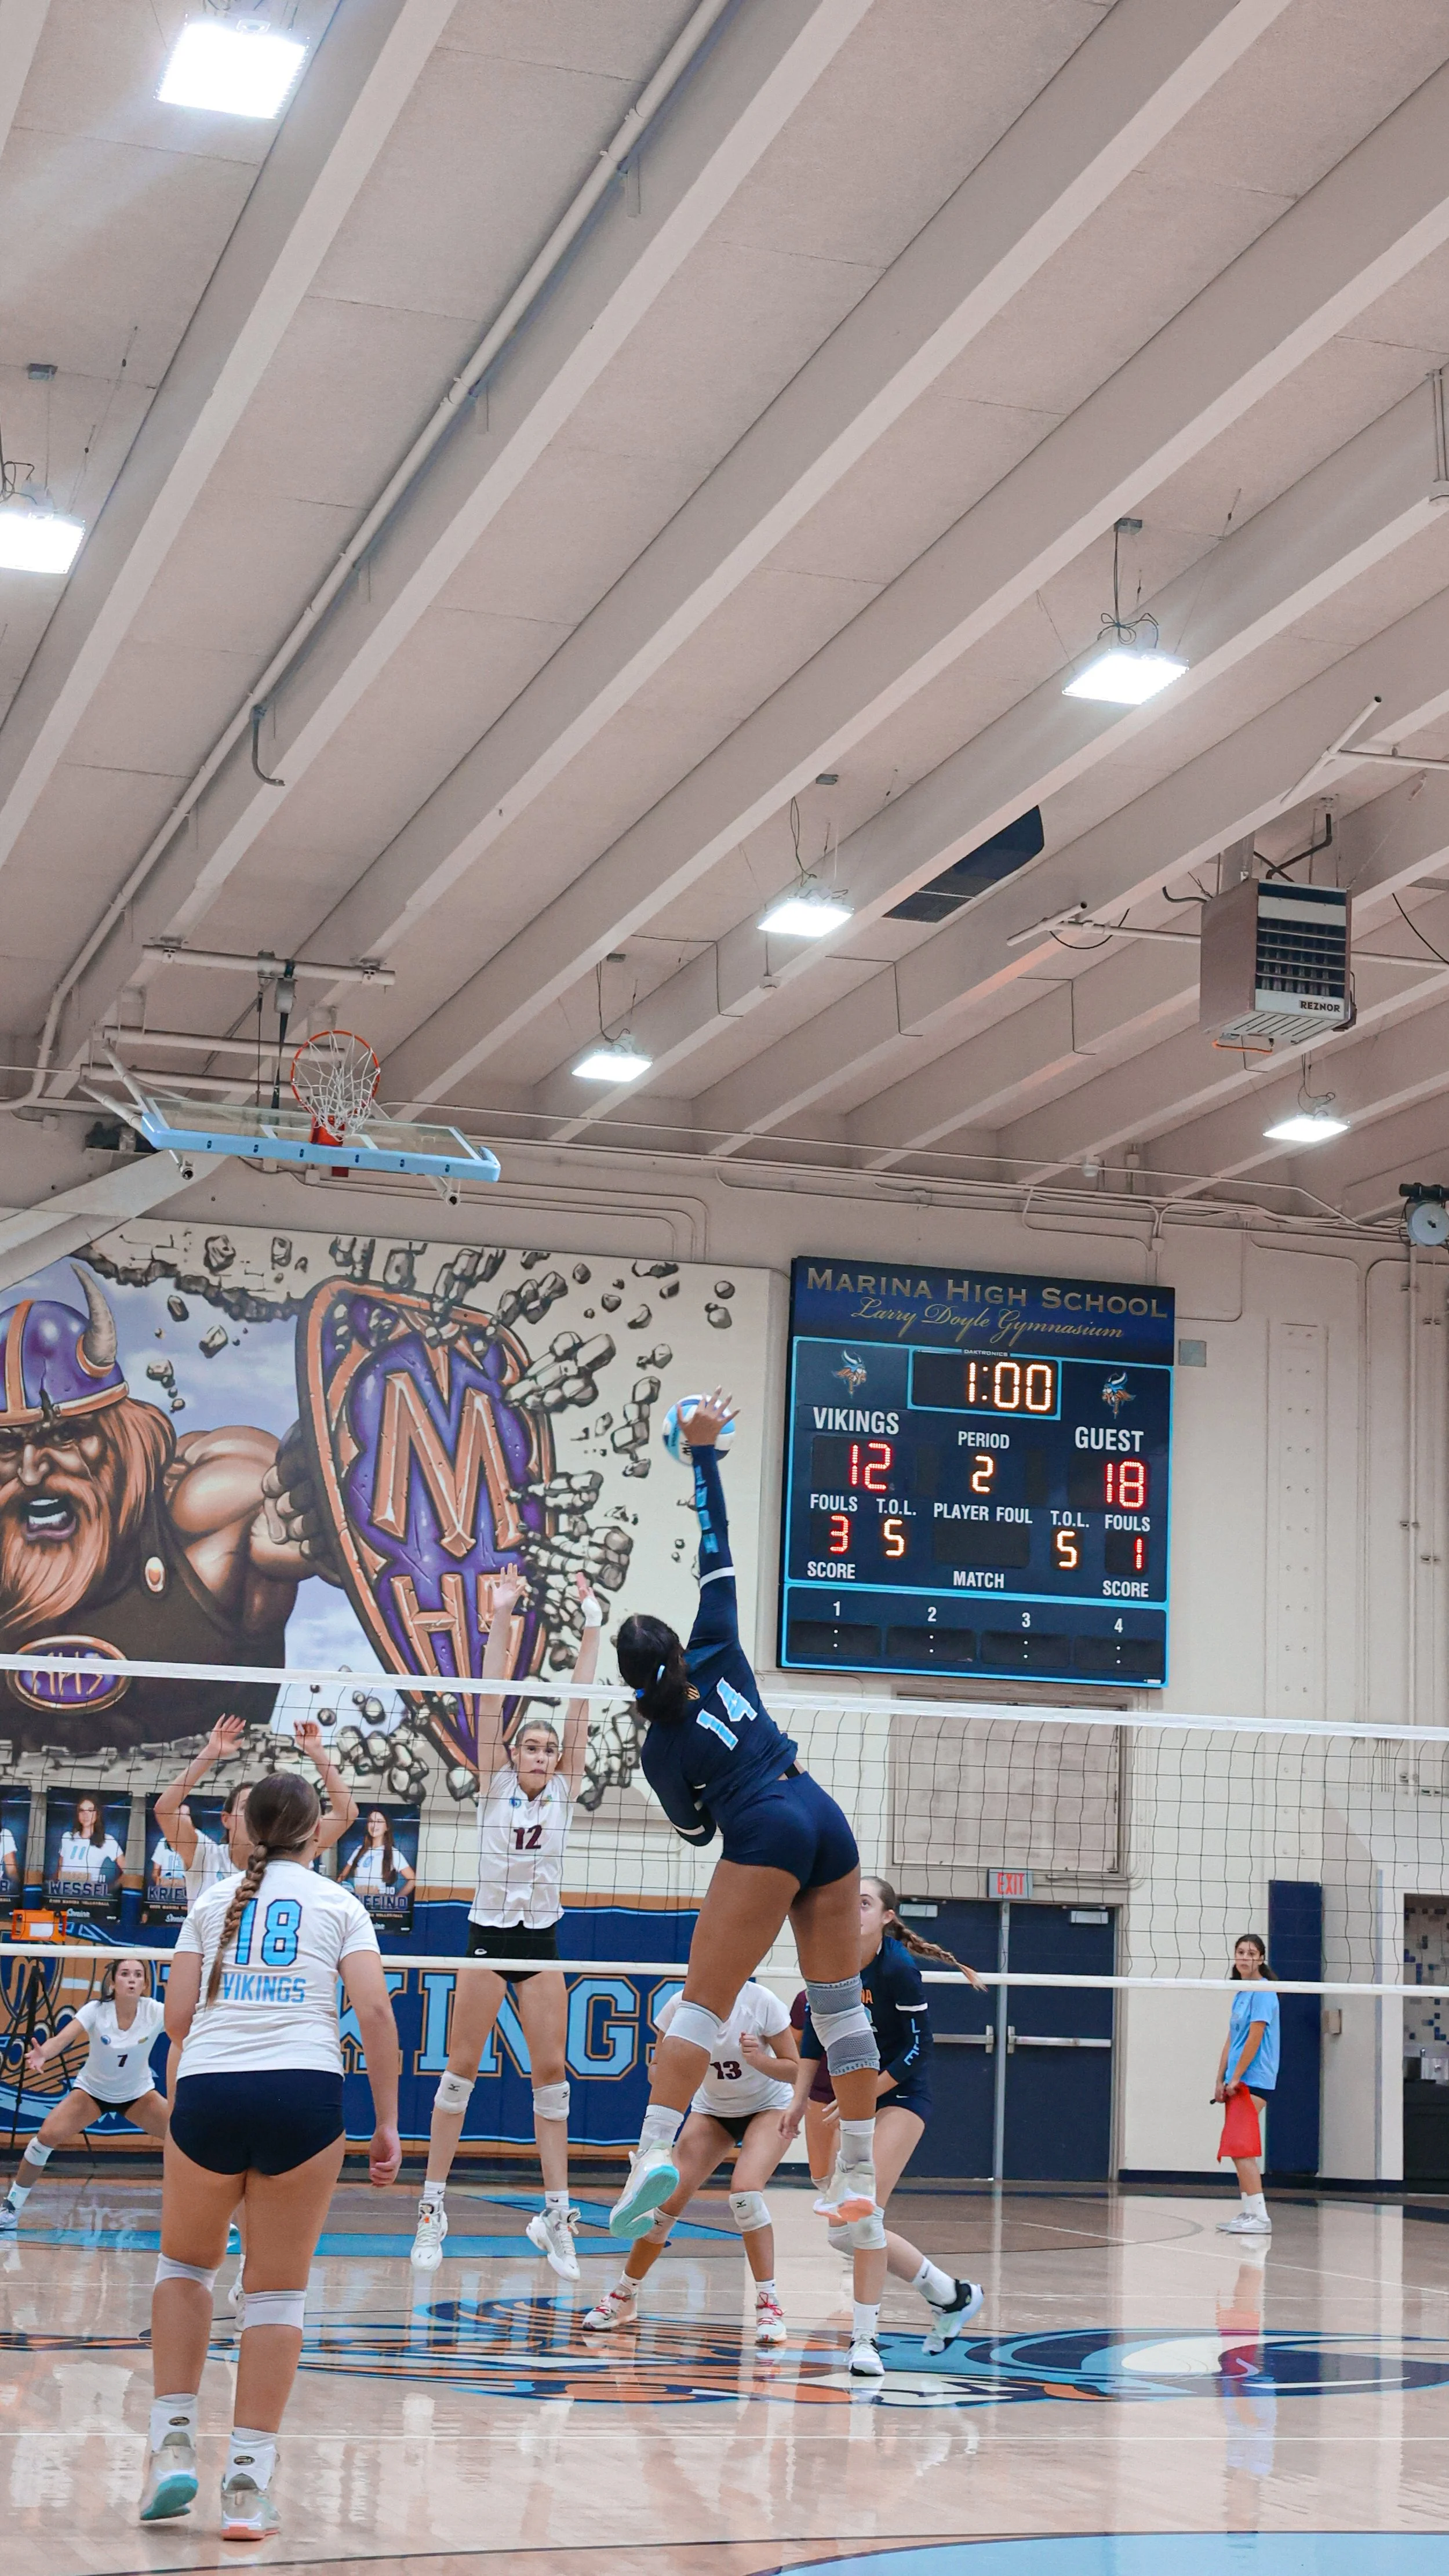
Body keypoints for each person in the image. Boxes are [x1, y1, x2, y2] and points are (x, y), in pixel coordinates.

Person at [609, 1391, 882, 2244]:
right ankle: (858, 2169)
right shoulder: (719, 1641)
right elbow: (717, 1543)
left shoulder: (659, 1750)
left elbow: (696, 1832)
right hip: (819, 1805)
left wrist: (708, 1805)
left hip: (762, 1828)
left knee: (702, 2002)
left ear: (631, 1687)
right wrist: (703, 1455)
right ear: (681, 1654)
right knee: (838, 2009)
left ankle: (653, 2152)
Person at [138, 1769, 400, 2539]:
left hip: (214, 2090)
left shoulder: (211, 1902)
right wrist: (386, 2124)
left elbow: (178, 2019)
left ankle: (172, 2448)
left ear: (246, 1826)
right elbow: (377, 2012)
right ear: (318, 1828)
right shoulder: (341, 1904)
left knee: (185, 2269)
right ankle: (247, 2485)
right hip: (303, 2095)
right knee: (277, 2294)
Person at [410, 1569, 602, 2282]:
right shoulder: (493, 1784)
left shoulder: (564, 1791)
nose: (541, 1755)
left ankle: (555, 2217)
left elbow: (581, 1701)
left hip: (541, 1940)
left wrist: (590, 1623)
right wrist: (499, 1616)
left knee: (551, 2080)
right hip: (488, 1937)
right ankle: (432, 2207)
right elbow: (489, 1702)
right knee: (459, 2072)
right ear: (515, 1753)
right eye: (532, 1747)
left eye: (549, 1749)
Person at [786, 1877, 984, 2379]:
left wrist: (865, 2093)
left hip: (900, 2094)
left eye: (866, 1903)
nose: (854, 1910)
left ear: (887, 1917)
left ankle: (865, 2340)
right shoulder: (827, 1959)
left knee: (866, 2212)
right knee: (841, 2234)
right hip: (856, 2094)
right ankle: (949, 2294)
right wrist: (799, 2099)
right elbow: (813, 2036)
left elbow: (920, 2049)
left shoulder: (897, 1967)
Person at [583, 1980, 799, 2344]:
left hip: (770, 2105)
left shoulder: (761, 2002)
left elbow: (795, 2069)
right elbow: (658, 2070)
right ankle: (624, 2296)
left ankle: (768, 2304)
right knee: (663, 2203)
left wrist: (758, 2060)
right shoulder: (679, 2007)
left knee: (746, 2195)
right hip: (713, 2110)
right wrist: (663, 2068)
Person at [0, 1956, 167, 2229]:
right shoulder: (96, 2010)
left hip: (138, 2095)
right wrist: (45, 2053)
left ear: (146, 1984)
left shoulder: (157, 2011)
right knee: (44, 2138)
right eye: (125, 1974)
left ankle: (207, 2217)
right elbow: (61, 2040)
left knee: (186, 2142)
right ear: (113, 1982)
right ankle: (11, 2209)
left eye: (138, 1975)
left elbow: (188, 2029)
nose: (132, 1979)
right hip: (92, 2093)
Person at [154, 1711, 358, 1903]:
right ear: (226, 1819)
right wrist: (211, 1752)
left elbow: (347, 1813)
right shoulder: (206, 1856)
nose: (255, 1816)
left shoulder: (292, 1857)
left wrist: (317, 1752)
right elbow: (165, 1810)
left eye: (260, 1810)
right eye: (245, 1808)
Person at [1213, 1932, 1279, 2236]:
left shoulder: (1264, 1992)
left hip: (1255, 2079)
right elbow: (1232, 2039)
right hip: (1238, 2079)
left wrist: (1237, 2077)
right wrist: (1220, 2078)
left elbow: (1255, 2037)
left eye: (1251, 1953)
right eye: (1240, 1952)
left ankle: (1260, 2218)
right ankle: (1249, 2212)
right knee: (1239, 2147)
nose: (1244, 1958)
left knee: (1241, 2148)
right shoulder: (1241, 1992)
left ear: (1261, 1959)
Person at [338, 1809, 416, 1914]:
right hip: (357, 1908)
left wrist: (396, 1900)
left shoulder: (393, 1853)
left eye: (379, 1821)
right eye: (371, 1821)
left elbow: (412, 1880)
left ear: (387, 1827)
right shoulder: (359, 1850)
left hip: (378, 1909)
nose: (374, 1825)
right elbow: (342, 1877)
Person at [52, 1794, 124, 1900]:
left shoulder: (108, 1840)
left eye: (90, 1811)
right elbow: (59, 1870)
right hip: (64, 1896)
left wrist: (109, 1890)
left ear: (97, 1814)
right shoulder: (67, 1837)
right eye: (82, 1811)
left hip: (88, 1898)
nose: (86, 1815)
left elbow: (129, 1872)